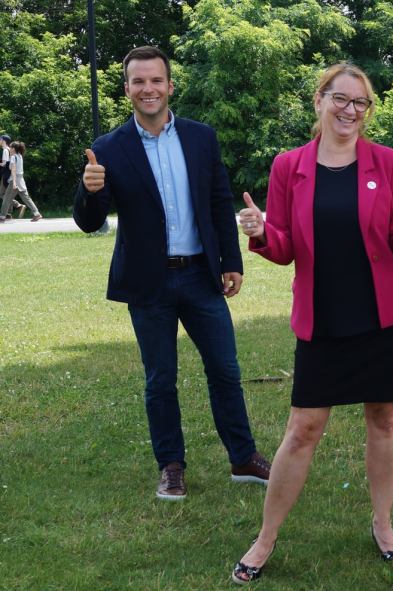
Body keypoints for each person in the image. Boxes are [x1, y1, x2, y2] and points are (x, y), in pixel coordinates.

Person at [230, 62, 393, 584]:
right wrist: (258, 232)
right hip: (323, 315)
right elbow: (284, 248)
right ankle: (265, 538)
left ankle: (383, 526)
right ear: (319, 100)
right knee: (303, 429)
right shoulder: (288, 166)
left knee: (383, 419)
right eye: (340, 99)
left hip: (383, 314)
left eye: (360, 103)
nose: (349, 110)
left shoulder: (387, 162)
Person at [73, 46, 271, 501]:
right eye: (138, 82)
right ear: (127, 90)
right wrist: (89, 191)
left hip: (201, 276)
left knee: (224, 369)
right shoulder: (107, 148)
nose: (148, 89)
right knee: (160, 378)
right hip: (149, 283)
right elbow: (88, 220)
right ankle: (171, 466)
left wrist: (232, 261)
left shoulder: (202, 138)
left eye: (156, 80)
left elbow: (219, 202)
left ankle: (243, 457)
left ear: (170, 86)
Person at [7, 142, 43, 221]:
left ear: (13, 148)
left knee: (7, 198)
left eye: (10, 147)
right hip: (21, 179)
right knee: (26, 198)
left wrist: (14, 183)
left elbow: (13, 170)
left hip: (16, 179)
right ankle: (37, 213)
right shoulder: (20, 156)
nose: (9, 149)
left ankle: (4, 215)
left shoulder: (14, 157)